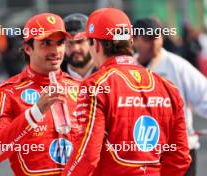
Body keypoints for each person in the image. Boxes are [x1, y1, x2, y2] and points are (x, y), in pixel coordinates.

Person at [63, 8, 191, 176]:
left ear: (97, 45)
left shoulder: (95, 86)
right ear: (130, 41)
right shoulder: (168, 87)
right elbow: (180, 157)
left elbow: (87, 155)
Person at [0, 13, 82, 175]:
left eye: (61, 43)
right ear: (28, 48)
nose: (55, 50)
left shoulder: (81, 88)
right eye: (46, 43)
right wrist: (36, 111)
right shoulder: (7, 92)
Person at [133, 18, 207, 176]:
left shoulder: (177, 65)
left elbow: (204, 95)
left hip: (179, 150)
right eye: (147, 39)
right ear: (134, 41)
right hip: (141, 152)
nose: (153, 44)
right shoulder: (128, 69)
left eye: (156, 38)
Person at [61, 13, 96, 79]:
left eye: (80, 41)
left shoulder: (109, 75)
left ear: (92, 41)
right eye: (70, 43)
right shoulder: (52, 77)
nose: (75, 48)